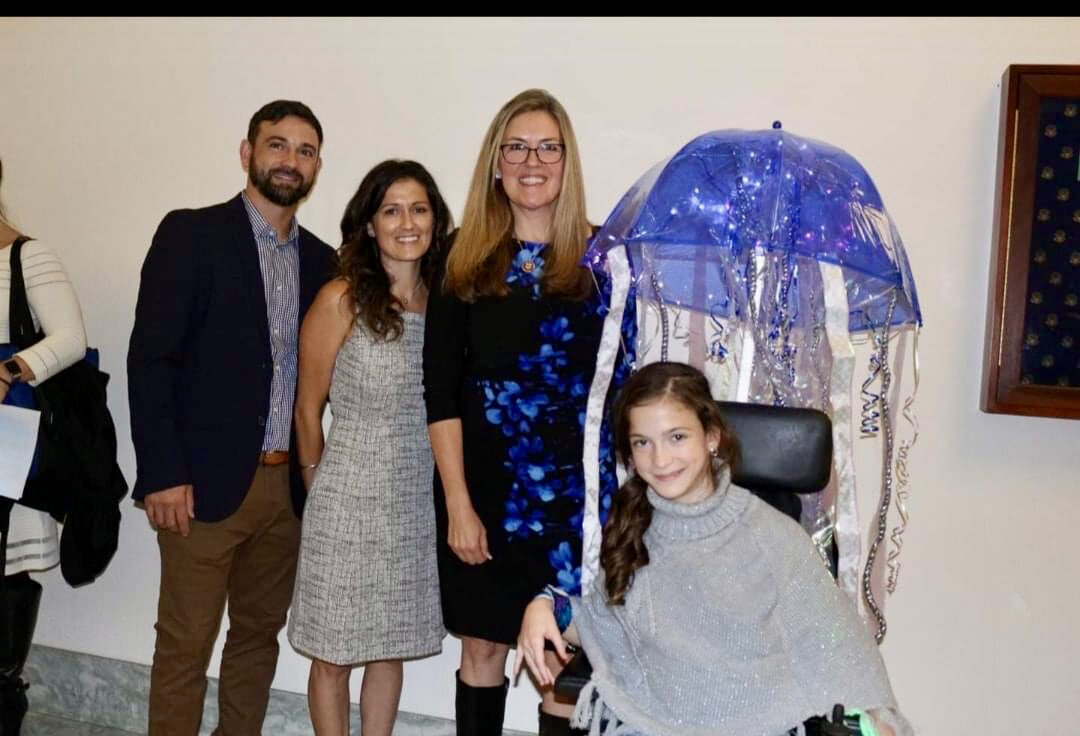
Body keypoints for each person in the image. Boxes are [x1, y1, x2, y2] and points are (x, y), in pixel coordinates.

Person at [516, 361, 912, 736]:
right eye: (642, 443)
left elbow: (838, 648)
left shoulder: (773, 536)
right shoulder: (633, 527)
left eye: (677, 437)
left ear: (711, 437)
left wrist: (878, 719)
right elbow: (601, 624)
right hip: (652, 725)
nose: (660, 458)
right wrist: (545, 605)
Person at [423, 88, 633, 736]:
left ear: (567, 163)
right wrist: (458, 503)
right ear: (495, 163)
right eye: (515, 147)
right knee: (483, 648)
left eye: (547, 147)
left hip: (578, 503)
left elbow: (629, 385)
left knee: (563, 668)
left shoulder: (607, 261)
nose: (531, 160)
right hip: (484, 497)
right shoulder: (462, 259)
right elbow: (440, 391)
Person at [127, 100, 337, 735]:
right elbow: (152, 359)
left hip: (286, 491)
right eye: (277, 145)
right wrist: (163, 471)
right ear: (247, 153)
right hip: (199, 486)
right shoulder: (191, 234)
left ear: (317, 166)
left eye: (304, 151)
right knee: (185, 645)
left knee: (257, 638)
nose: (289, 160)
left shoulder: (325, 263)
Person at [287, 160, 452, 736]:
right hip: (344, 501)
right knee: (332, 655)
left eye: (419, 208)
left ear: (435, 220)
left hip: (413, 504)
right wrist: (317, 489)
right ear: (370, 224)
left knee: (390, 647)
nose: (407, 222)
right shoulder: (341, 299)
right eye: (392, 210)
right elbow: (307, 409)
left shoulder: (447, 305)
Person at [0, 156, 88, 735]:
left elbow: (71, 339)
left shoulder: (26, 256)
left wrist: (9, 369)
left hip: (9, 449)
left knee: (5, 582)